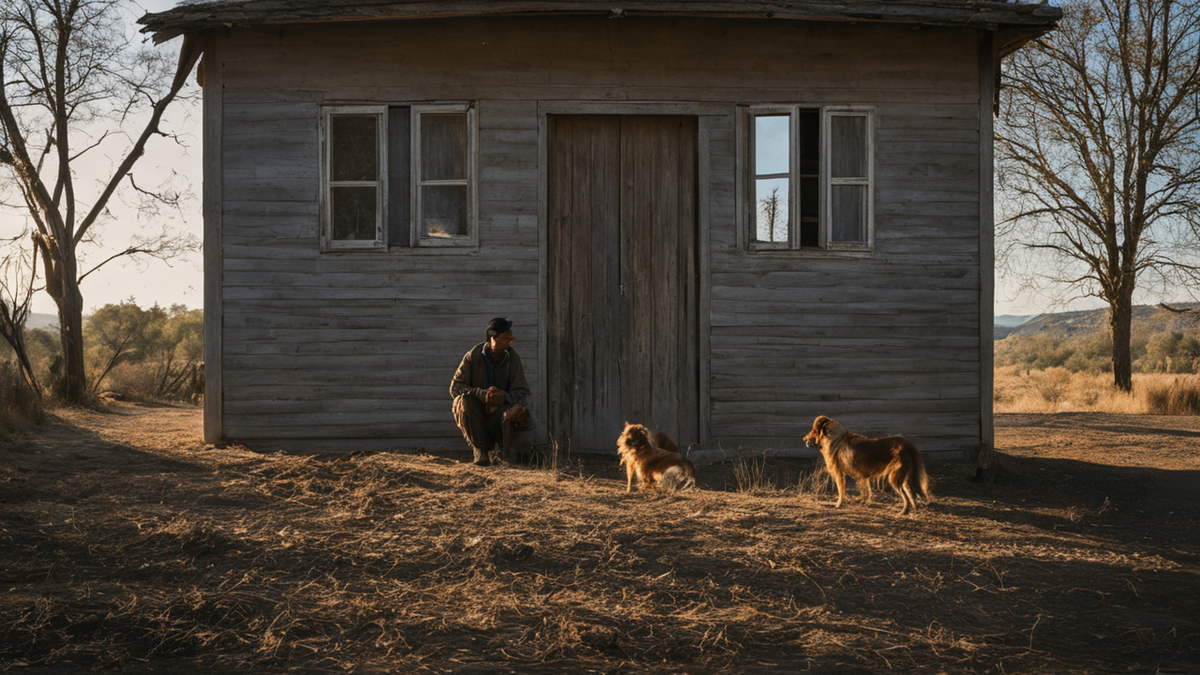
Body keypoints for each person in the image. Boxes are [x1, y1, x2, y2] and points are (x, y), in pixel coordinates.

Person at [450, 317, 532, 466]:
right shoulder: (473, 356)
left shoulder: (513, 359)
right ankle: (480, 452)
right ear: (493, 338)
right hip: (476, 415)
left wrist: (503, 397)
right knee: (462, 401)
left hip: (500, 415)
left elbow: (523, 393)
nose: (512, 339)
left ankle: (503, 453)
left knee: (518, 411)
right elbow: (455, 387)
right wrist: (481, 395)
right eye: (507, 336)